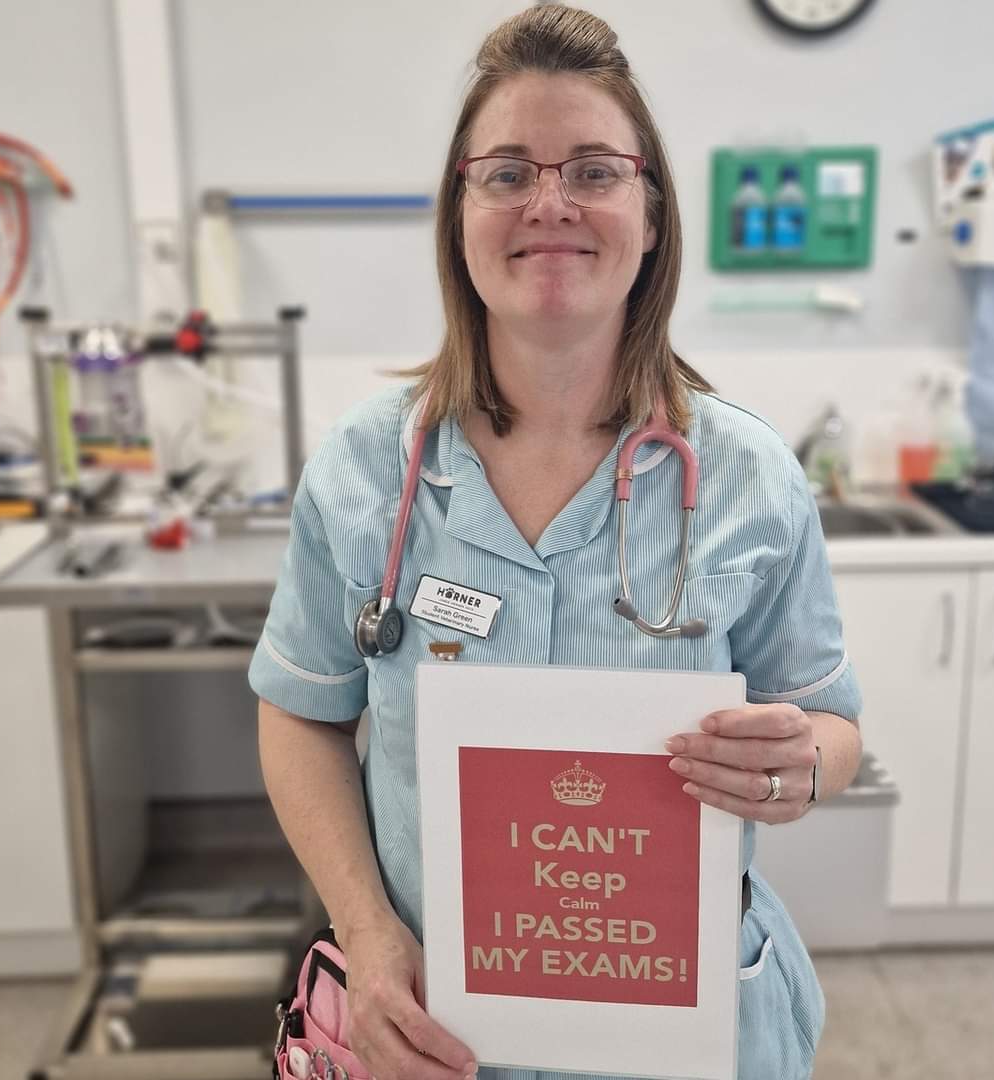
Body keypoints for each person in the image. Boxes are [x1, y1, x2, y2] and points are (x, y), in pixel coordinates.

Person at [250, 4, 863, 1079]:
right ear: (459, 213)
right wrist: (370, 932)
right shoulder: (365, 468)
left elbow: (833, 724)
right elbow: (300, 715)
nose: (550, 203)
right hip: (441, 1028)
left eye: (592, 170)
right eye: (506, 173)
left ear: (652, 213)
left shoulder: (747, 476)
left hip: (688, 1030)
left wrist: (799, 765)